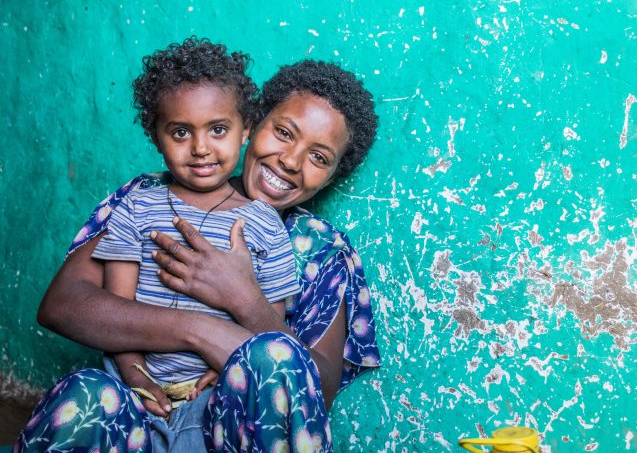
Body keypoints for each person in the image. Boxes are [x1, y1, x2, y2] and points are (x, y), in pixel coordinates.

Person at [16, 57, 381, 452]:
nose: (290, 161)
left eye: (318, 157)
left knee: (275, 357)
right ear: (253, 124)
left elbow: (316, 389)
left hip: (224, 429)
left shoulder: (324, 251)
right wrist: (200, 330)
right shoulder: (149, 198)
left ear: (333, 175)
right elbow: (62, 306)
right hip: (140, 411)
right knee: (83, 394)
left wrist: (243, 298)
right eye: (283, 132)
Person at [93, 37, 300, 415]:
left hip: (215, 394)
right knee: (82, 394)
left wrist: (226, 370)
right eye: (181, 133)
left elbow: (268, 329)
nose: (201, 148)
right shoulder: (136, 208)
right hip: (133, 386)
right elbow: (115, 313)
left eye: (218, 130)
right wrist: (135, 377)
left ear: (245, 130)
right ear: (157, 137)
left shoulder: (264, 224)